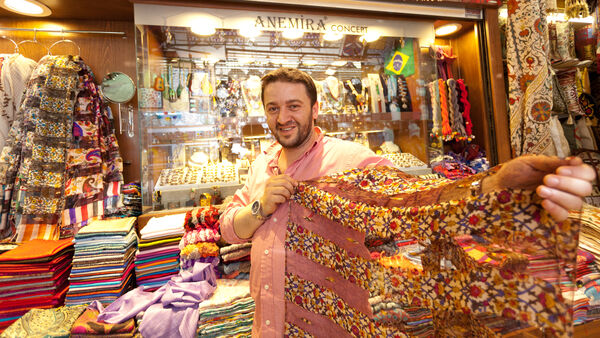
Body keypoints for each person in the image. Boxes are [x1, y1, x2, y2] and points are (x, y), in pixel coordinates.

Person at [219, 67, 596, 336]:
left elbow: (418, 202)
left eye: (293, 106)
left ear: (315, 109)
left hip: (329, 326)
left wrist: (504, 188)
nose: (283, 117)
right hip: (265, 323)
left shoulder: (349, 160)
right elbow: (228, 225)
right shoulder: (261, 164)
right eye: (273, 108)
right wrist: (259, 208)